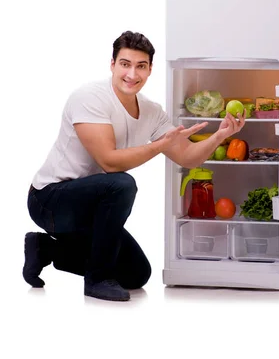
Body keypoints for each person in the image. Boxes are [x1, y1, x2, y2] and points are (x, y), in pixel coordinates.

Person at [23, 31, 245, 301]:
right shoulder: (90, 98)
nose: (132, 74)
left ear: (150, 70)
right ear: (112, 65)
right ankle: (97, 280)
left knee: (136, 274)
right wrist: (158, 146)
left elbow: (188, 157)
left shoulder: (151, 111)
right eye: (125, 64)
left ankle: (45, 249)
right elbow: (108, 161)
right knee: (122, 184)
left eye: (141, 66)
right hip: (51, 200)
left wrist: (220, 135)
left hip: (92, 207)